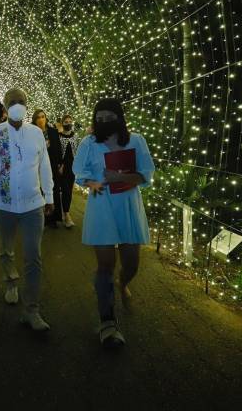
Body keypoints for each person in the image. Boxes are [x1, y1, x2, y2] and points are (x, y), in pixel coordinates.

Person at [71, 98, 155, 348]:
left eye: (109, 118)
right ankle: (107, 322)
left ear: (119, 117)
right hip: (102, 207)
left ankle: (123, 282)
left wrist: (121, 176)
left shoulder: (136, 140)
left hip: (128, 206)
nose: (104, 122)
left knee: (131, 262)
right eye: (99, 118)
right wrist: (92, 183)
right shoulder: (88, 143)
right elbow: (79, 173)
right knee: (105, 264)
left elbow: (146, 174)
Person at [0, 87, 54, 331]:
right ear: (4, 106)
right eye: (12, 101)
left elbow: (45, 166)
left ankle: (32, 310)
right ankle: (11, 281)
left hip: (33, 205)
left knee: (34, 257)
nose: (17, 104)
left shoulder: (36, 133)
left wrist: (49, 195)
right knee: (5, 250)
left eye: (21, 101)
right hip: (3, 205)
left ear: (27, 103)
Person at [31, 109, 62, 229]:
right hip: (37, 166)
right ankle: (41, 218)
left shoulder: (53, 132)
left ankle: (53, 218)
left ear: (46, 118)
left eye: (42, 117)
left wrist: (60, 164)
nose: (40, 119)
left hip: (52, 165)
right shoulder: (31, 133)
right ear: (35, 120)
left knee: (53, 190)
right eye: (38, 117)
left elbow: (58, 148)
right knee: (39, 191)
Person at [58, 114, 78, 229]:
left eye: (70, 121)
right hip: (62, 168)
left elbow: (76, 152)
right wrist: (60, 165)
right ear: (62, 123)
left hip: (72, 167)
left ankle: (66, 213)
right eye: (66, 122)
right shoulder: (59, 136)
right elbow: (58, 152)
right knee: (64, 190)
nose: (68, 123)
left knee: (69, 191)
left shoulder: (75, 136)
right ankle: (65, 214)